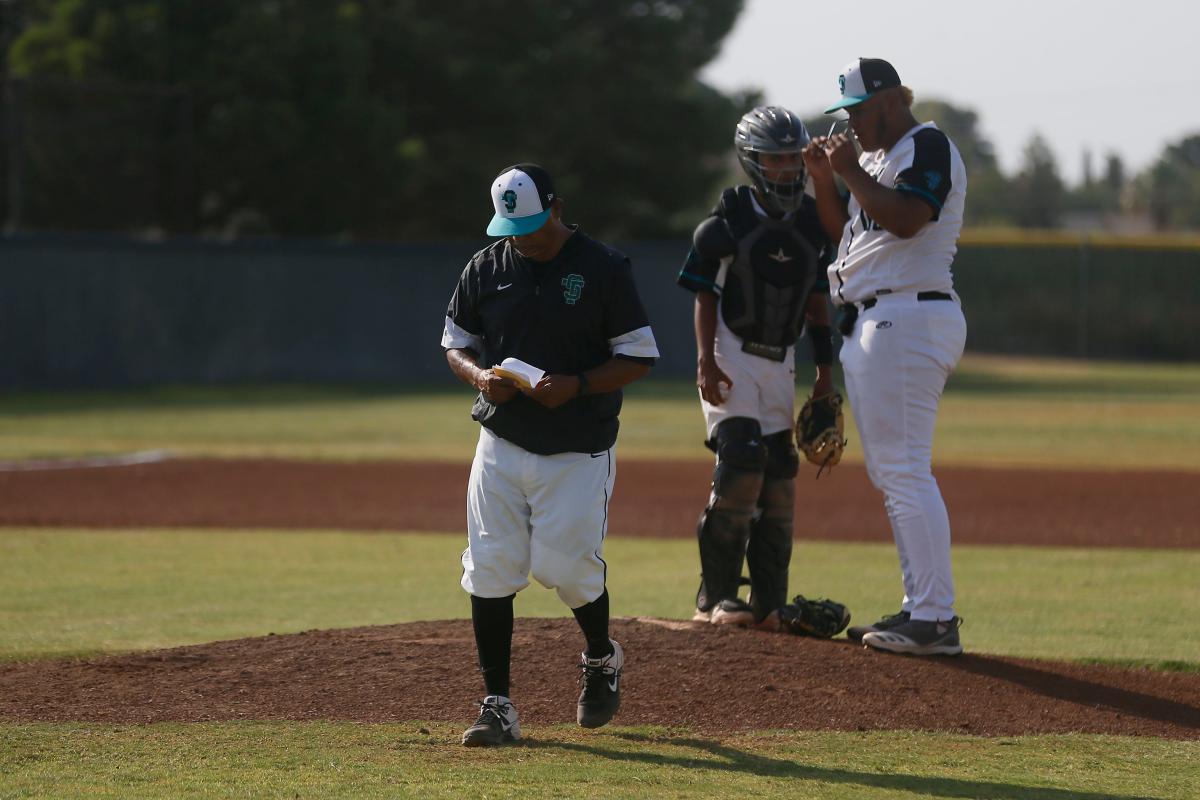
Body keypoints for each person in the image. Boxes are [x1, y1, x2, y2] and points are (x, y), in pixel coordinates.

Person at [441, 163, 659, 746]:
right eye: (513, 228)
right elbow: (455, 342)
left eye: (534, 226)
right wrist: (479, 378)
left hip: (578, 447)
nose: (524, 239)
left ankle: (600, 655)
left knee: (564, 570)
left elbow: (639, 355)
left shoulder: (604, 267)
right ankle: (497, 705)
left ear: (557, 209)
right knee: (488, 569)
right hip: (502, 440)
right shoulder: (487, 267)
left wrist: (579, 384)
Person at [802, 58, 968, 656]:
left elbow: (905, 220)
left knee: (903, 470)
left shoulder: (928, 145)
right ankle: (922, 607)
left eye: (859, 112)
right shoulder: (870, 161)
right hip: (882, 317)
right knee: (894, 473)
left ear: (893, 101)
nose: (851, 124)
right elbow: (844, 235)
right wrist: (829, 180)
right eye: (845, 115)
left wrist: (850, 171)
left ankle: (935, 616)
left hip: (909, 313)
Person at [676, 106, 850, 636]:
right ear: (752, 162)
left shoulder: (811, 220)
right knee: (742, 461)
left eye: (792, 158)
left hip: (781, 362)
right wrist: (705, 360)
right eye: (773, 159)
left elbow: (818, 299)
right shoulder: (730, 218)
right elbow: (705, 294)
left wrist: (824, 372)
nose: (785, 168)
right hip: (730, 352)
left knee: (780, 473)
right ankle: (718, 594)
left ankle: (771, 600)